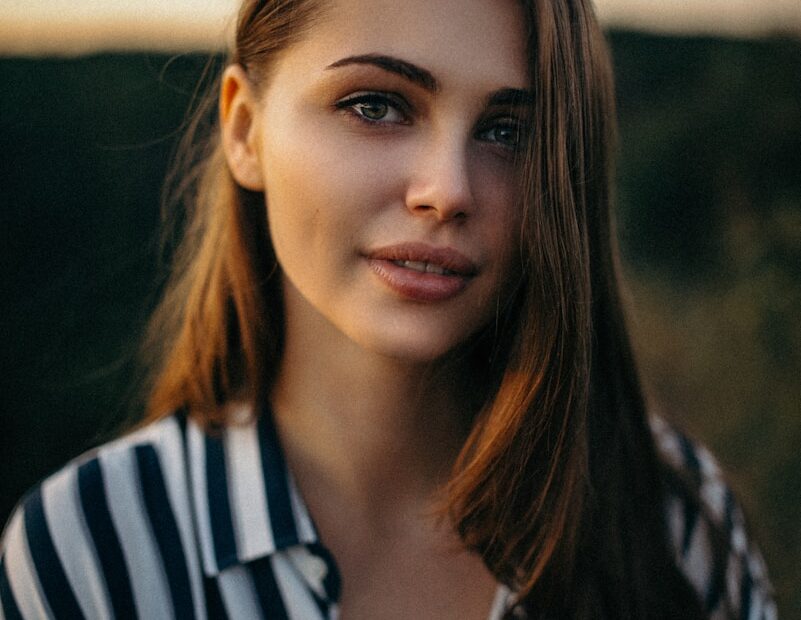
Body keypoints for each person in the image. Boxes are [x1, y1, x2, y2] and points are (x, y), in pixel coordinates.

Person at [0, 0, 777, 618]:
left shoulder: (671, 520)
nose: (447, 189)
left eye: (509, 130)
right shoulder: (93, 546)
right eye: (376, 106)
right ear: (243, 128)